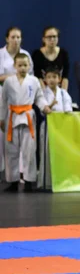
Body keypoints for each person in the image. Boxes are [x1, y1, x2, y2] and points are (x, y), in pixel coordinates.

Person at [0, 54, 52, 192]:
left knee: (29, 150)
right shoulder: (8, 82)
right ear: (14, 66)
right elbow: (3, 101)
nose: (23, 68)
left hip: (28, 116)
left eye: (25, 65)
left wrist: (45, 107)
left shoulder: (34, 81)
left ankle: (29, 181)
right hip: (12, 117)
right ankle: (13, 181)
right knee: (11, 150)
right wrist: (1, 119)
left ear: (29, 66)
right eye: (20, 65)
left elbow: (39, 98)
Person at [38, 66, 73, 190]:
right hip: (48, 125)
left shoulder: (63, 92)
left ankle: (61, 180)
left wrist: (68, 111)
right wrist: (50, 105)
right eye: (49, 77)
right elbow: (43, 108)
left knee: (61, 153)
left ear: (59, 79)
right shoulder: (42, 93)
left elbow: (68, 104)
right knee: (47, 152)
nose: (51, 80)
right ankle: (46, 182)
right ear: (45, 79)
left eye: (54, 77)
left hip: (61, 126)